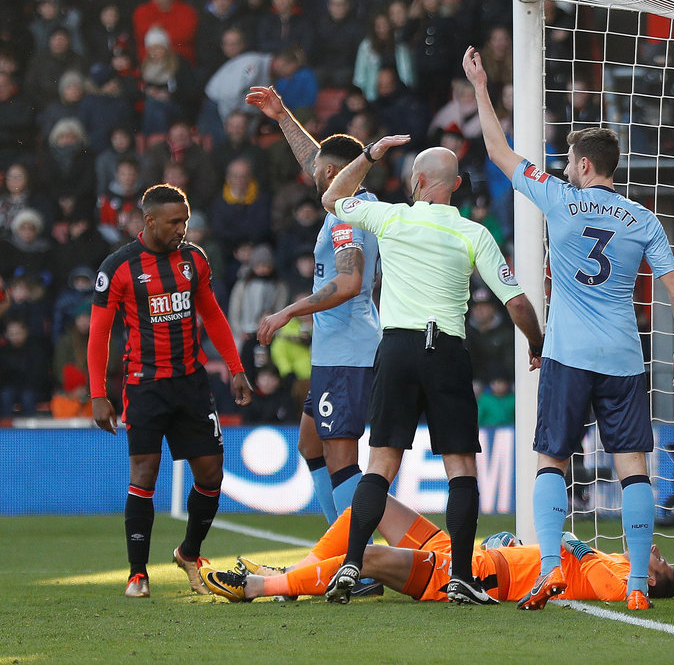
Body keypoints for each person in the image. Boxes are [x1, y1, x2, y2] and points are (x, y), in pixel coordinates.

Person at [463, 47, 674, 612]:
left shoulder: (561, 199)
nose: (566, 169)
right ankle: (637, 584)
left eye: (570, 162)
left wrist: (480, 86)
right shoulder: (644, 219)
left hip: (566, 353)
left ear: (586, 166)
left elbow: (497, 151)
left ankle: (549, 570)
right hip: (623, 356)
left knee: (553, 460)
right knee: (632, 469)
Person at [319, 133, 545, 606]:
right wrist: (536, 343)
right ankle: (461, 576)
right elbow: (518, 303)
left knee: (381, 463)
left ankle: (352, 563)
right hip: (445, 350)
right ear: (456, 185)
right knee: (460, 467)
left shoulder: (390, 217)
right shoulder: (473, 233)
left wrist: (369, 155)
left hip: (396, 348)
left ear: (416, 181)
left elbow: (332, 197)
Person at [87, 184, 252, 598]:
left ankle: (189, 552)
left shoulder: (194, 259)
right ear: (150, 221)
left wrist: (236, 368)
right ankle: (137, 573)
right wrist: (97, 393)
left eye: (185, 221)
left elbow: (212, 314)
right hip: (144, 386)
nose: (182, 228)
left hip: (192, 382)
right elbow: (99, 334)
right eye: (175, 222)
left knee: (211, 473)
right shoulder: (119, 267)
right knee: (144, 473)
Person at [245, 84, 382, 533]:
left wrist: (288, 311)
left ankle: (358, 556)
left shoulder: (346, 216)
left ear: (332, 173)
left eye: (320, 171)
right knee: (311, 444)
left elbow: (350, 281)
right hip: (335, 349)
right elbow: (315, 159)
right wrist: (282, 115)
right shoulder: (351, 200)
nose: (312, 174)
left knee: (341, 458)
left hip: (347, 351)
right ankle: (342, 545)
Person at [199, 493, 674, 604]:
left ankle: (258, 587)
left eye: (660, 561)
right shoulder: (616, 560)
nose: (656, 549)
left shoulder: (618, 576)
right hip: (465, 549)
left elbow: (609, 585)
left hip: (469, 572)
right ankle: (292, 574)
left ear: (653, 578)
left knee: (368, 558)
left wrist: (572, 547)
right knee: (368, 506)